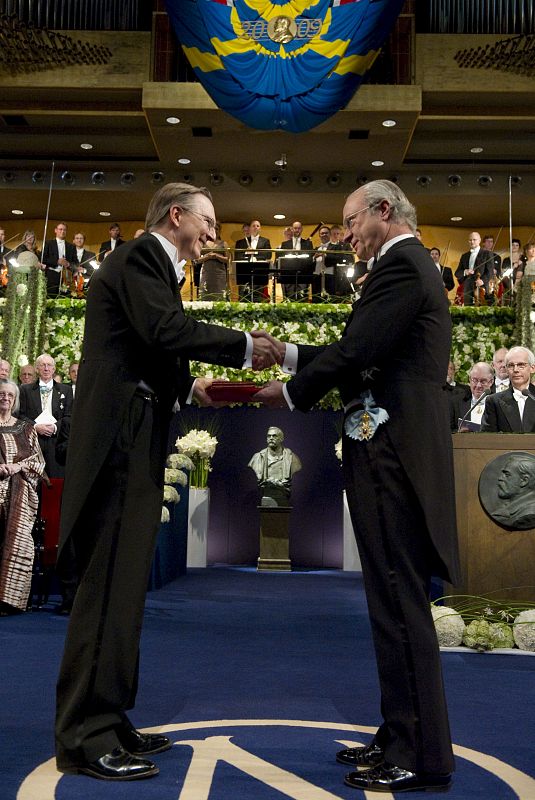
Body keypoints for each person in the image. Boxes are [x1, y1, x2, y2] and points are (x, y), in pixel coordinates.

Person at [54, 182, 280, 781]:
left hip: (138, 436)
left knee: (126, 589)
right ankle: (84, 735)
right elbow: (162, 330)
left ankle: (110, 715)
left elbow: (146, 347)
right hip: (118, 446)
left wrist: (189, 387)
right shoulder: (138, 258)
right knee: (106, 590)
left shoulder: (154, 268)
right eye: (207, 221)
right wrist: (243, 346)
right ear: (174, 216)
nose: (213, 234)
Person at [254, 179, 459, 793]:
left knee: (399, 603)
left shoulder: (403, 266)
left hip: (394, 455)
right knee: (388, 602)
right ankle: (400, 733)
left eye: (350, 221)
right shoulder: (401, 269)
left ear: (383, 211)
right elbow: (358, 351)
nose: (345, 234)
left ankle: (422, 752)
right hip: (384, 453)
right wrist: (287, 354)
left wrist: (289, 392)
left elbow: (357, 349)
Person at [0, 379, 46, 615]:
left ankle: (9, 601)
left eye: (9, 394)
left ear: (15, 399)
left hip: (19, 494)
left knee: (20, 543)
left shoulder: (25, 428)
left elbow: (38, 462)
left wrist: (16, 468)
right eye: (1, 394)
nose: (5, 398)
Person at [481, 346, 535, 433]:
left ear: (532, 368)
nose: (515, 370)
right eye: (511, 365)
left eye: (521, 365)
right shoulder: (494, 401)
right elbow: (487, 438)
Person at [248, 426, 301, 506]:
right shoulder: (257, 458)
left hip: (282, 497)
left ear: (281, 439)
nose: (271, 438)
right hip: (266, 495)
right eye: (269, 436)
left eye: (274, 436)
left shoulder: (292, 458)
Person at [493, 455, 535, 529]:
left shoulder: (529, 513)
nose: (500, 478)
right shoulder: (510, 507)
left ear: (524, 481)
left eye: (507, 475)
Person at [452, 361, 493, 432]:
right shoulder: (456, 402)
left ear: (491, 382)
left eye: (483, 381)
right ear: (469, 380)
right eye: (475, 380)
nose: (478, 385)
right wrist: (459, 433)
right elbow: (448, 430)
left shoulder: (498, 403)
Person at [454, 232, 491, 306]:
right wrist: (465, 272)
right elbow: (457, 273)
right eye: (470, 240)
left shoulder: (487, 254)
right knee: (468, 308)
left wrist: (483, 281)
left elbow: (490, 272)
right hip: (468, 286)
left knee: (482, 309)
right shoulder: (464, 256)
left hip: (481, 287)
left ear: (479, 240)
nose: (472, 242)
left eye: (474, 239)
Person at [196, 222, 229, 300]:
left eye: (217, 229)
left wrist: (217, 256)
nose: (215, 230)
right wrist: (207, 257)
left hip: (219, 274)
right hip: (206, 273)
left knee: (219, 297)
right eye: (213, 228)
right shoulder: (203, 243)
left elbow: (228, 259)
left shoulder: (224, 243)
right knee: (205, 296)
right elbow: (196, 260)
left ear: (220, 231)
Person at [42, 222, 76, 297]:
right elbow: (43, 259)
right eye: (60, 229)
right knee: (50, 297)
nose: (62, 231)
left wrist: (68, 264)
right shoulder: (48, 243)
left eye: (64, 230)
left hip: (66, 277)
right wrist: (57, 261)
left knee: (65, 298)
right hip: (52, 276)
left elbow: (75, 262)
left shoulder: (71, 246)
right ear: (55, 230)